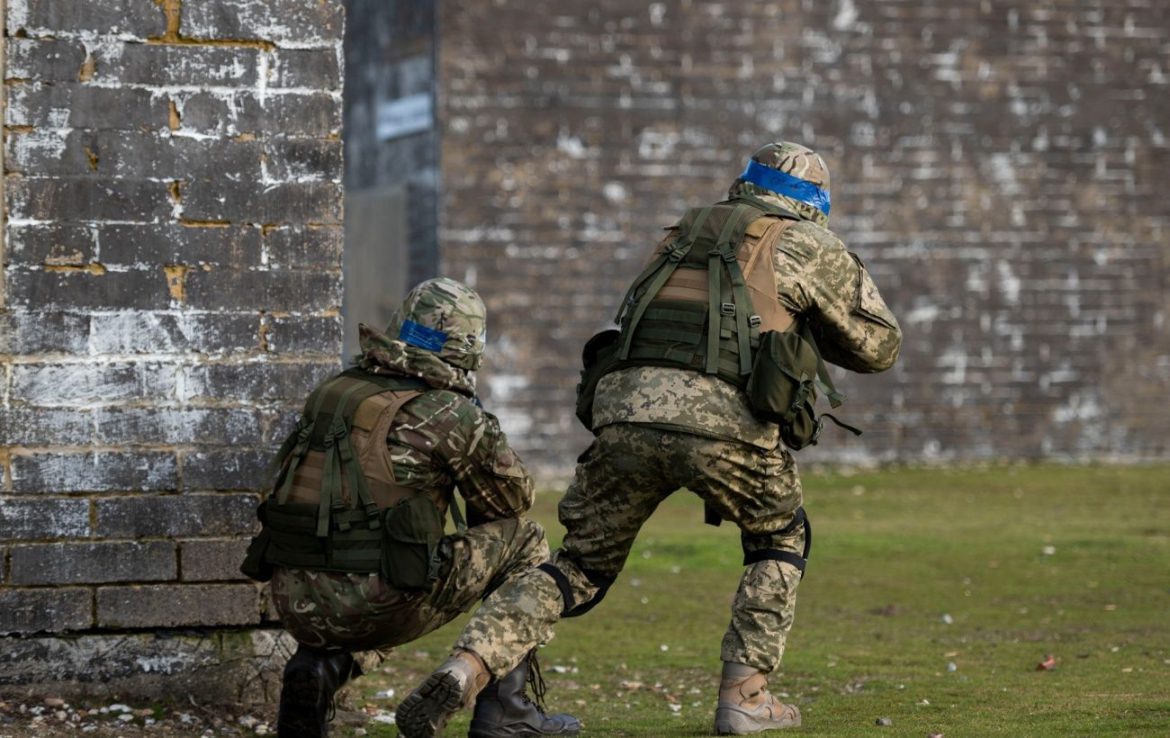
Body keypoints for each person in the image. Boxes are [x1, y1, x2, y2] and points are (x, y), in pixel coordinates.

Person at [397, 142, 903, 736]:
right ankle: (746, 697)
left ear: (745, 184)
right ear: (815, 201)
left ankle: (466, 666)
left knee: (579, 566)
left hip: (625, 411)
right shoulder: (812, 243)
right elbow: (879, 347)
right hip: (726, 424)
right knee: (779, 537)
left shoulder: (680, 235)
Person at [240, 277, 580, 738]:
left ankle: (320, 666)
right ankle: (494, 699)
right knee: (524, 540)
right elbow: (511, 501)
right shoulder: (451, 414)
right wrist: (476, 427)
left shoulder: (335, 391)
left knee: (379, 555)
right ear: (468, 348)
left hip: (296, 600)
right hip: (376, 601)